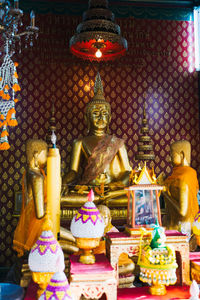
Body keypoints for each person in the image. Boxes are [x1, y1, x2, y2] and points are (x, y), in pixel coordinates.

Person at [61, 72, 132, 208]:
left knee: (134, 201)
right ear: (87, 118)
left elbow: (127, 172)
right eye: (95, 113)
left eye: (104, 114)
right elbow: (73, 171)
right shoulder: (80, 142)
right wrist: (63, 183)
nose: (100, 117)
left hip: (112, 191)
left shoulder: (117, 143)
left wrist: (114, 186)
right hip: (89, 190)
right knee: (61, 199)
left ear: (110, 118)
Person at [13, 139, 78, 258]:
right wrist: (54, 199)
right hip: (40, 227)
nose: (48, 158)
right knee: (76, 243)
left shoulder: (29, 172)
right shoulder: (37, 177)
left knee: (74, 241)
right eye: (46, 154)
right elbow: (40, 214)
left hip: (31, 223)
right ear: (36, 155)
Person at [162, 140, 199, 240]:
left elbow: (183, 212)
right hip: (173, 223)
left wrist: (165, 194)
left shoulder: (185, 177)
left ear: (182, 155)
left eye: (172, 155)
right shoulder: (177, 176)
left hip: (183, 227)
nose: (169, 159)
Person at [95, 205, 135, 288]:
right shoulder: (91, 230)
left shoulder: (113, 231)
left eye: (105, 217)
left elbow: (120, 253)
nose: (102, 220)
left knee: (130, 266)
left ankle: (108, 274)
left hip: (115, 261)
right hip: (99, 261)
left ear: (109, 219)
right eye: (99, 217)